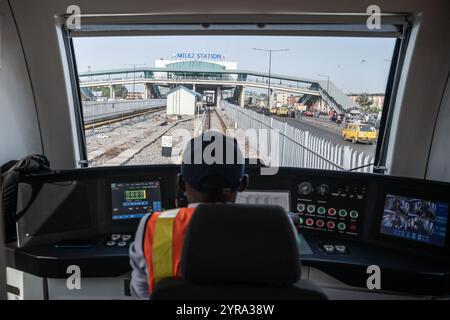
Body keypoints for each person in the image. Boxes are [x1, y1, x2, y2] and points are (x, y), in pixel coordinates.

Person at [129, 131, 249, 299]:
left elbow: (141, 294)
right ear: (243, 184)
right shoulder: (276, 227)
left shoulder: (152, 227)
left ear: (181, 183)